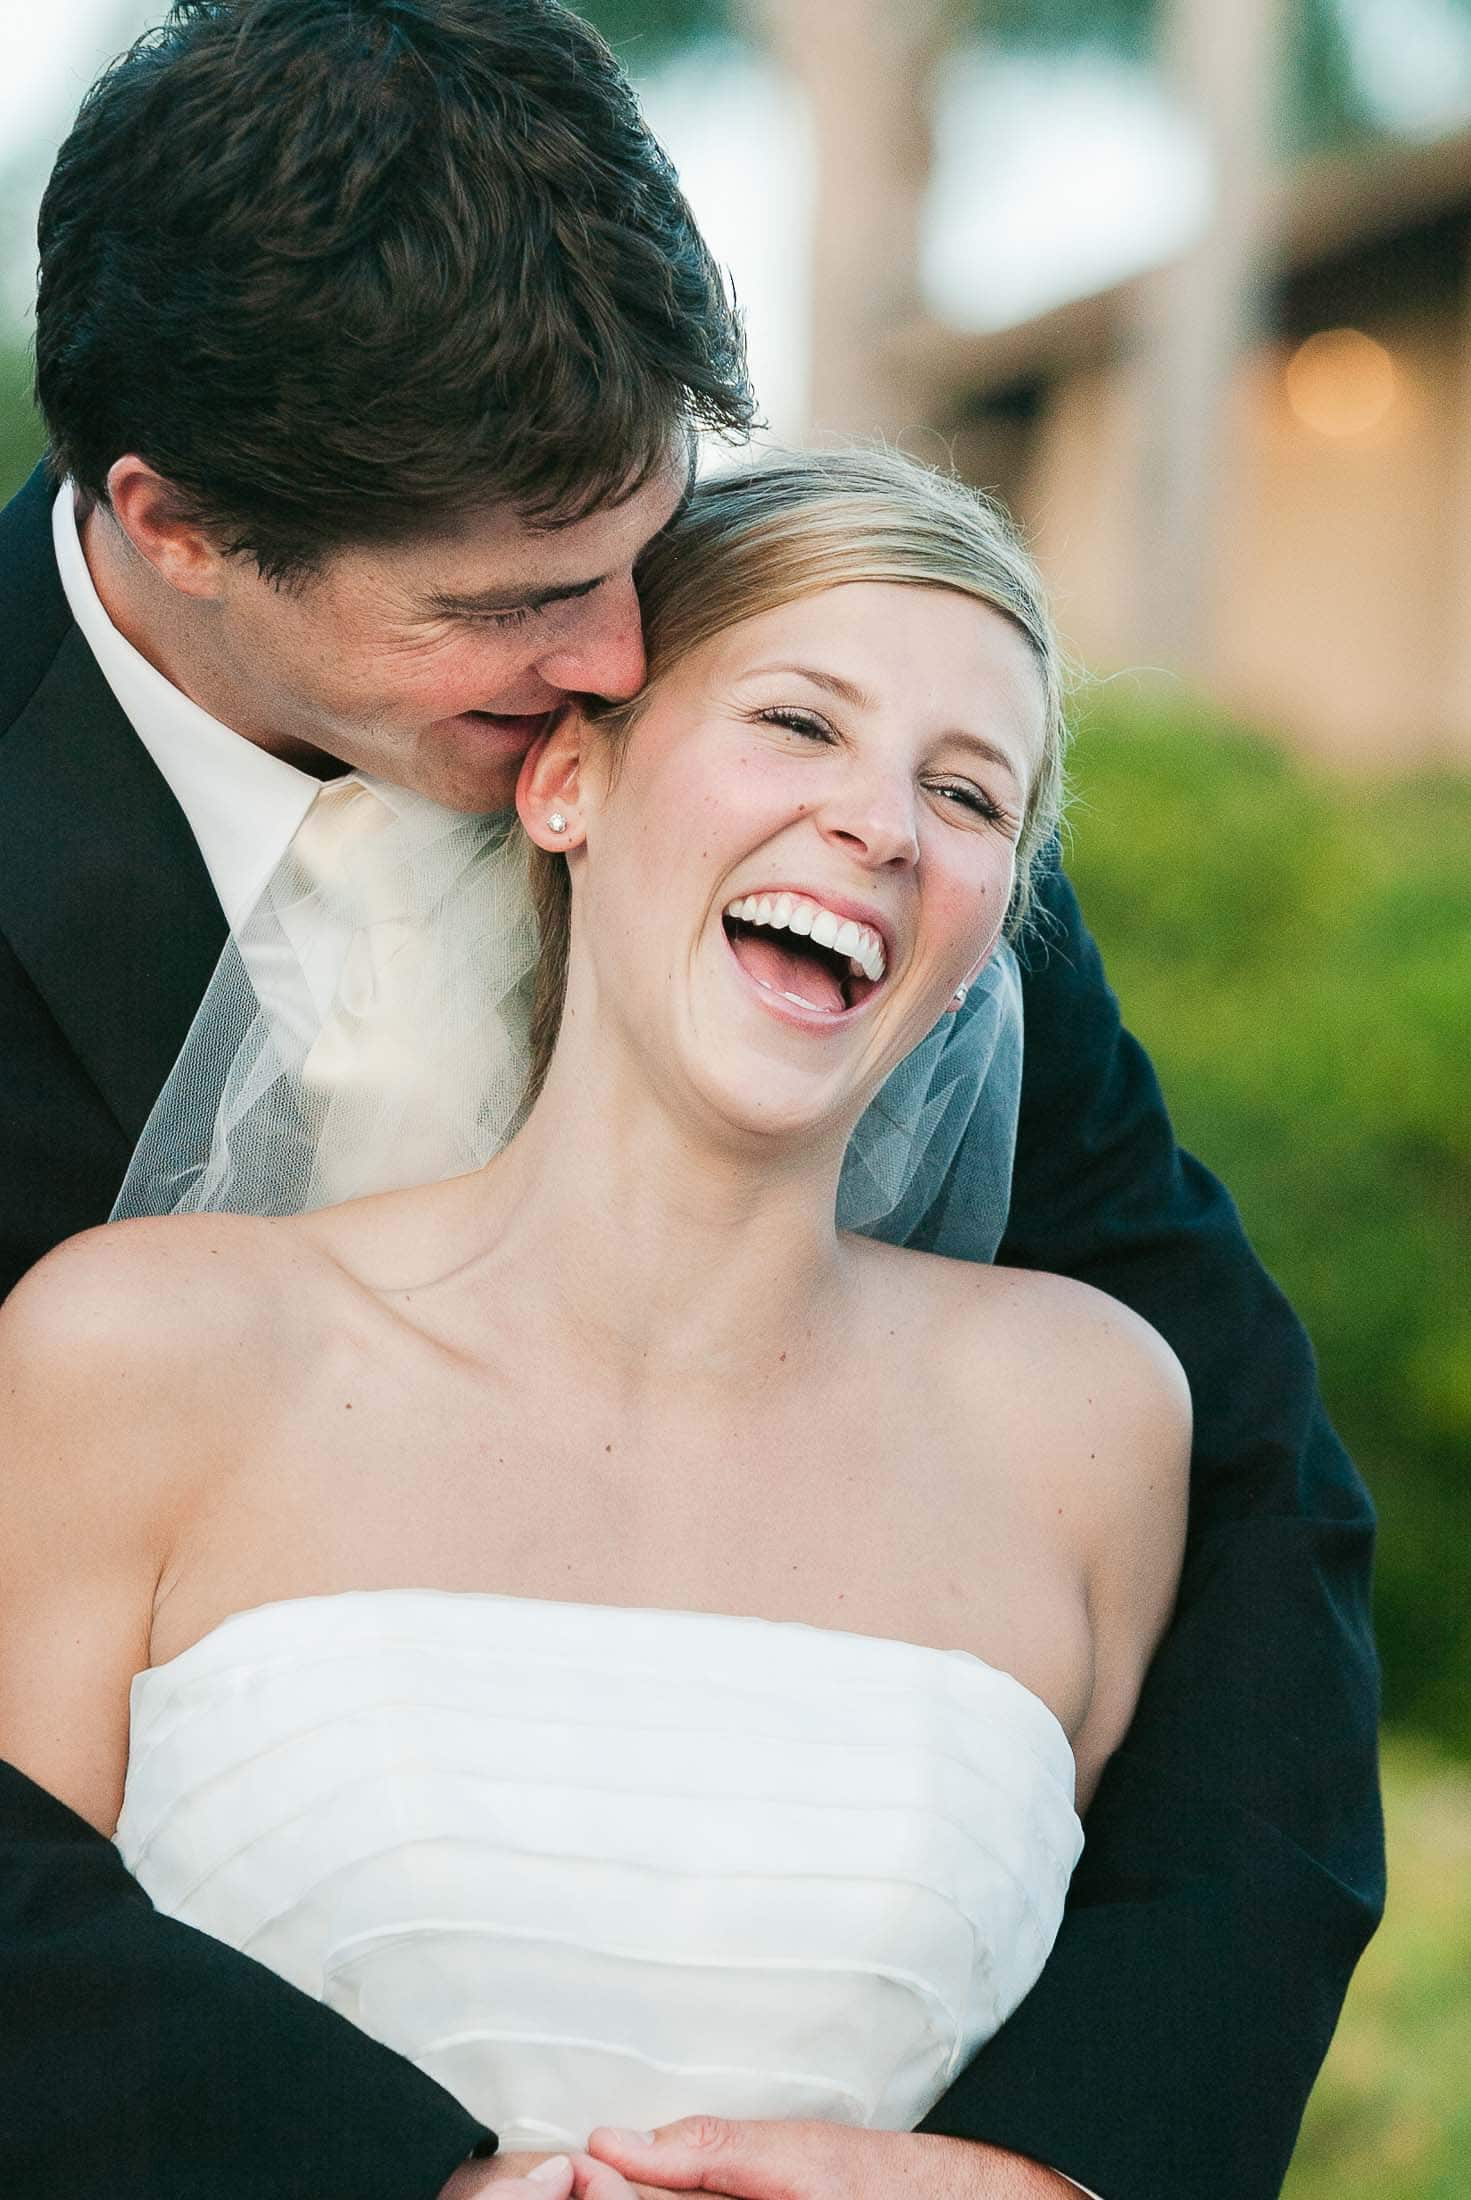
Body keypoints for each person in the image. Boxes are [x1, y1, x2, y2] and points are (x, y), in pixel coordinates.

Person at [0, 5, 1381, 2199]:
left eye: (642, 536)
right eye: (520, 608)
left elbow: (1250, 1508)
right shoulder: (116, 1339)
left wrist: (1067, 2163)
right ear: (172, 527)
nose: (627, 651)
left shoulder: (796, 763)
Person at [5, 449, 1197, 2200]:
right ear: (568, 779)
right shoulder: (141, 1354)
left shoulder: (1087, 1427)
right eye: (799, 724)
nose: (881, 822)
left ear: (985, 934)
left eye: (968, 793)